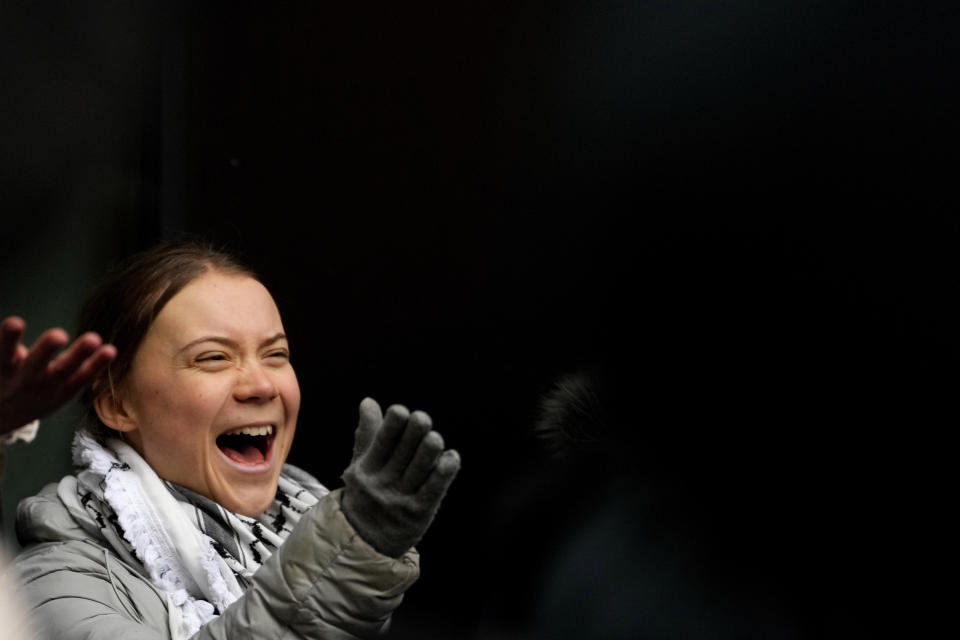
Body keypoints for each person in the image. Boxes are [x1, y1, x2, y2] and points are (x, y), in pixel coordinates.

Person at [1, 241, 461, 639]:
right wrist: (350, 550)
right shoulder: (53, 585)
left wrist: (355, 552)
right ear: (118, 404)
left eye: (276, 354)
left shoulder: (305, 526)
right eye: (214, 358)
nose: (261, 385)